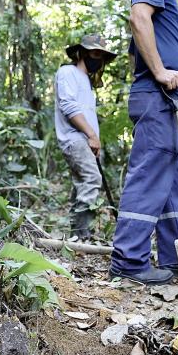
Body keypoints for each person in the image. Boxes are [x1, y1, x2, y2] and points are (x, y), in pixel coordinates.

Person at [109, 0, 178, 284]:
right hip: (157, 97)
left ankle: (176, 258)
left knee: (170, 181)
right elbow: (138, 18)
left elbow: (137, 49)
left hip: (170, 102)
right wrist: (160, 72)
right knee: (150, 174)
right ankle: (129, 260)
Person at [54, 34, 118, 241]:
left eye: (101, 56)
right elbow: (68, 106)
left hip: (85, 141)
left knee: (81, 184)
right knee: (92, 179)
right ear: (82, 53)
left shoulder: (87, 82)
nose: (98, 59)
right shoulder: (68, 72)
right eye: (95, 54)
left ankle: (74, 238)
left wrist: (94, 140)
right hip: (74, 138)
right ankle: (82, 235)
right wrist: (91, 135)